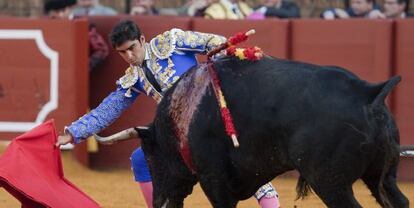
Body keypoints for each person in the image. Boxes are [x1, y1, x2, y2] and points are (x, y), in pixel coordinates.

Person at [56, 19, 281, 208]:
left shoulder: (171, 42)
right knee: (141, 159)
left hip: (209, 117)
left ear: (142, 40)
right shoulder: (133, 78)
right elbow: (108, 108)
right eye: (122, 52)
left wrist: (229, 59)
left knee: (239, 161)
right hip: (179, 132)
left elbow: (212, 43)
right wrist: (73, 133)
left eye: (132, 48)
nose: (129, 56)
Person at [44, 0, 109, 71]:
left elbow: (102, 50)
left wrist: (82, 67)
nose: (60, 15)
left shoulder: (84, 26)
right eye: (54, 14)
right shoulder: (48, 25)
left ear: (70, 9)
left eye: (62, 10)